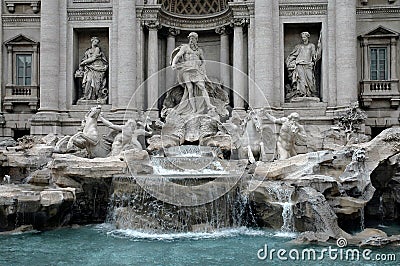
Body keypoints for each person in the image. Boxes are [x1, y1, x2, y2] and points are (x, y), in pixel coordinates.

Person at [170, 32, 216, 114]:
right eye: (190, 38)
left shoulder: (199, 50)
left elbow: (203, 61)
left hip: (196, 70)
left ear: (196, 40)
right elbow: (177, 56)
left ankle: (209, 104)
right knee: (190, 89)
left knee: (202, 87)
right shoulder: (185, 47)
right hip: (186, 70)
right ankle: (194, 109)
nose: (191, 40)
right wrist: (173, 63)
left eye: (193, 38)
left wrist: (202, 67)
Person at [286, 32, 321, 99]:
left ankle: (310, 93)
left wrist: (318, 50)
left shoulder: (311, 46)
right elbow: (293, 55)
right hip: (300, 65)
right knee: (301, 80)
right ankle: (302, 94)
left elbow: (314, 56)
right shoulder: (299, 46)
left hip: (308, 65)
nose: (303, 38)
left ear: (307, 37)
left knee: (310, 79)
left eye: (304, 37)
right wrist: (290, 62)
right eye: (302, 37)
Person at [76, 37, 109, 101]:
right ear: (92, 41)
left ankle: (94, 97)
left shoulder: (97, 49)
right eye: (95, 41)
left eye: (97, 42)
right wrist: (82, 66)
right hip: (89, 69)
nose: (96, 43)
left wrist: (83, 63)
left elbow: (93, 58)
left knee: (96, 84)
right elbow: (85, 58)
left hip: (97, 68)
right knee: (88, 80)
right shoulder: (88, 51)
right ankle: (86, 96)